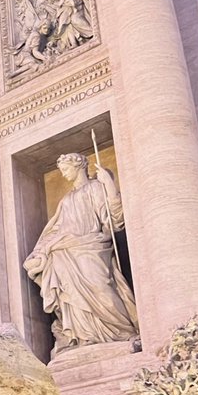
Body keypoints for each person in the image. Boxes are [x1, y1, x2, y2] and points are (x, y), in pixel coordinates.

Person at [24, 151, 139, 354]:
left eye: (67, 169)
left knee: (101, 287)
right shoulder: (66, 200)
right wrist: (40, 252)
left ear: (79, 167)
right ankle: (83, 336)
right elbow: (57, 229)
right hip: (64, 252)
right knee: (70, 296)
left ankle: (122, 331)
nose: (64, 174)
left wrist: (109, 185)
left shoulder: (95, 188)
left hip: (91, 247)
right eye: (61, 170)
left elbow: (114, 220)